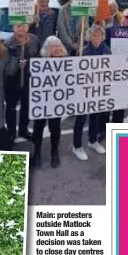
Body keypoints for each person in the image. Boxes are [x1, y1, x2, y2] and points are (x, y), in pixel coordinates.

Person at [72, 25, 109, 161]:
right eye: (94, 35)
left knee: (95, 116)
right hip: (84, 89)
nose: (97, 38)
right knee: (81, 118)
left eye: (99, 35)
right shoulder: (84, 51)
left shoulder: (106, 50)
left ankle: (93, 141)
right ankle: (77, 146)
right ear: (89, 37)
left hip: (98, 89)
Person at [31, 36, 66, 168]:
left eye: (58, 45)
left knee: (55, 128)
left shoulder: (66, 62)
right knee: (38, 128)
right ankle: (37, 153)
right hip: (41, 101)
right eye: (52, 46)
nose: (56, 48)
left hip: (56, 102)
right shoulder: (40, 62)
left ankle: (54, 152)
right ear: (47, 49)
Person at [5, 23, 39, 144]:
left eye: (23, 26)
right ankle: (11, 132)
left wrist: (28, 64)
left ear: (28, 27)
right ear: (13, 28)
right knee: (11, 108)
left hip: (28, 79)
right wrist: (16, 63)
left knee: (26, 107)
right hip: (12, 81)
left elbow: (38, 58)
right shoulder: (7, 43)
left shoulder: (34, 39)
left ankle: (23, 130)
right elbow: (6, 67)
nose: (21, 29)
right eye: (18, 26)